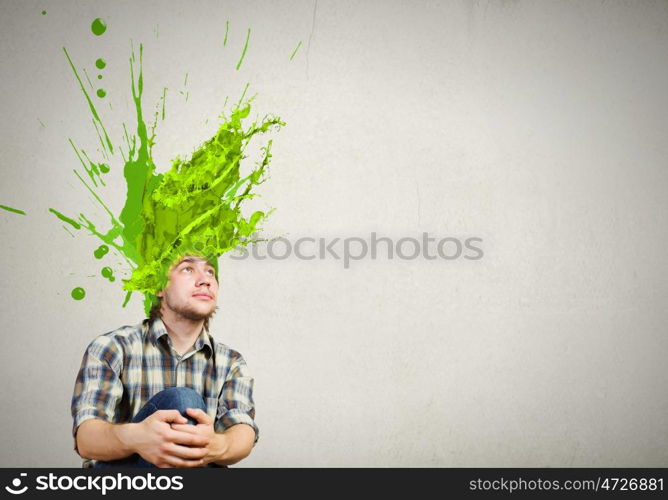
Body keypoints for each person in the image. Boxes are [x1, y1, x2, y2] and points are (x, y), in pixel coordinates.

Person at [71, 255, 258, 468]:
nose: (205, 280)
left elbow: (243, 430)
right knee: (182, 400)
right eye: (187, 269)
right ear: (159, 286)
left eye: (210, 272)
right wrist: (137, 437)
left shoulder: (231, 362)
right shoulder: (112, 347)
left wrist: (216, 444)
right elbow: (86, 439)